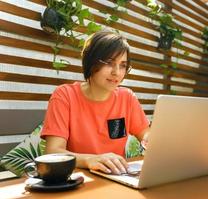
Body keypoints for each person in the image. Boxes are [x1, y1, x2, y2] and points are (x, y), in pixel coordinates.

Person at [41, 30, 150, 175]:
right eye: (109, 63)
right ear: (91, 62)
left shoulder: (127, 97)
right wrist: (89, 160)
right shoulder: (64, 96)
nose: (117, 72)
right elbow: (53, 152)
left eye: (123, 65)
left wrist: (152, 141)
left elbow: (146, 134)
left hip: (118, 178)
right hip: (78, 179)